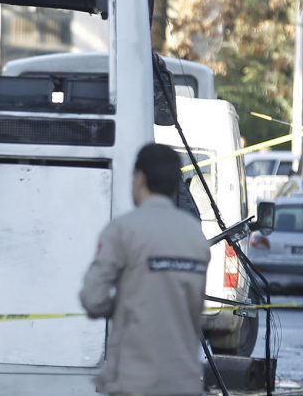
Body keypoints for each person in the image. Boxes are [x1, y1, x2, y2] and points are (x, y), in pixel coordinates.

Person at [79, 143, 210, 395]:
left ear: (140, 178)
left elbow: (92, 298)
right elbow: (195, 306)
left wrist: (124, 304)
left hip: (134, 380)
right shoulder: (195, 235)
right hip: (185, 380)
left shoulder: (123, 230)